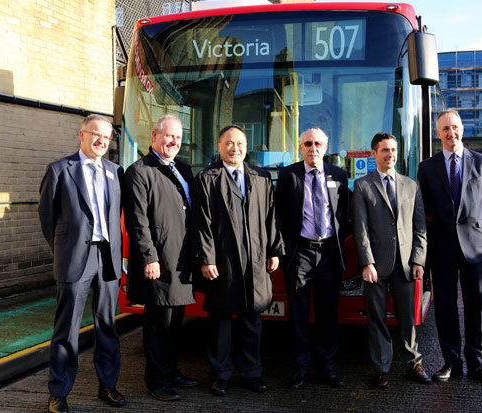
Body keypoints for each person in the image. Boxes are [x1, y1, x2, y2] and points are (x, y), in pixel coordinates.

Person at [38, 114, 125, 413]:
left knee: (107, 325)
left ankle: (108, 386)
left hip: (108, 258)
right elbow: (47, 218)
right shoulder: (60, 169)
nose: (101, 141)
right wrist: (64, 249)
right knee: (67, 329)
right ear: (81, 135)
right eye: (95, 134)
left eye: (107, 137)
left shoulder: (115, 171)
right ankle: (58, 392)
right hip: (75, 258)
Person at [191, 125, 284, 396]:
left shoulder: (261, 176)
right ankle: (219, 375)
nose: (235, 148)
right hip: (223, 260)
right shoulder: (207, 178)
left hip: (255, 258)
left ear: (246, 147)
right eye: (229, 143)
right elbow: (202, 222)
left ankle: (251, 373)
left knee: (251, 319)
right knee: (220, 320)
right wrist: (206, 258)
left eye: (240, 143)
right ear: (219, 147)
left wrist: (274, 250)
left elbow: (271, 216)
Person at [417, 109, 482, 384]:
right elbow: (424, 208)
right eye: (445, 129)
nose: (451, 133)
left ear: (462, 129)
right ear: (437, 133)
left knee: (478, 307)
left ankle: (477, 363)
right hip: (442, 247)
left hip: (476, 245)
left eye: (454, 127)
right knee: (445, 307)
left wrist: (470, 225)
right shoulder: (427, 167)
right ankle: (451, 362)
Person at [123, 115, 200, 401]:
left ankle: (172, 371)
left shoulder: (182, 168)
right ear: (154, 136)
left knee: (174, 322)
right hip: (159, 262)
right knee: (157, 325)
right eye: (169, 136)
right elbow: (137, 221)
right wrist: (149, 258)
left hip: (181, 260)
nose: (174, 142)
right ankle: (156, 381)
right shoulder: (139, 171)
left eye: (178, 137)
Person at [352, 133, 430, 388]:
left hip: (406, 264)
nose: (390, 155)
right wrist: (367, 263)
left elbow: (420, 228)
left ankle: (413, 363)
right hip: (376, 265)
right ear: (374, 153)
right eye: (385, 150)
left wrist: (418, 260)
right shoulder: (362, 185)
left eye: (394, 150)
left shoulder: (411, 185)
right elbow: (361, 229)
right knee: (377, 318)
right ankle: (382, 368)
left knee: (408, 317)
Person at [275, 128, 349, 390]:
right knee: (298, 313)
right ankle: (300, 368)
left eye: (318, 144)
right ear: (300, 147)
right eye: (307, 143)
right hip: (300, 253)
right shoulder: (288, 175)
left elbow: (344, 213)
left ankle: (327, 367)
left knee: (328, 312)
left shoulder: (339, 175)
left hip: (329, 253)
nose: (313, 148)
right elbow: (279, 213)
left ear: (325, 148)